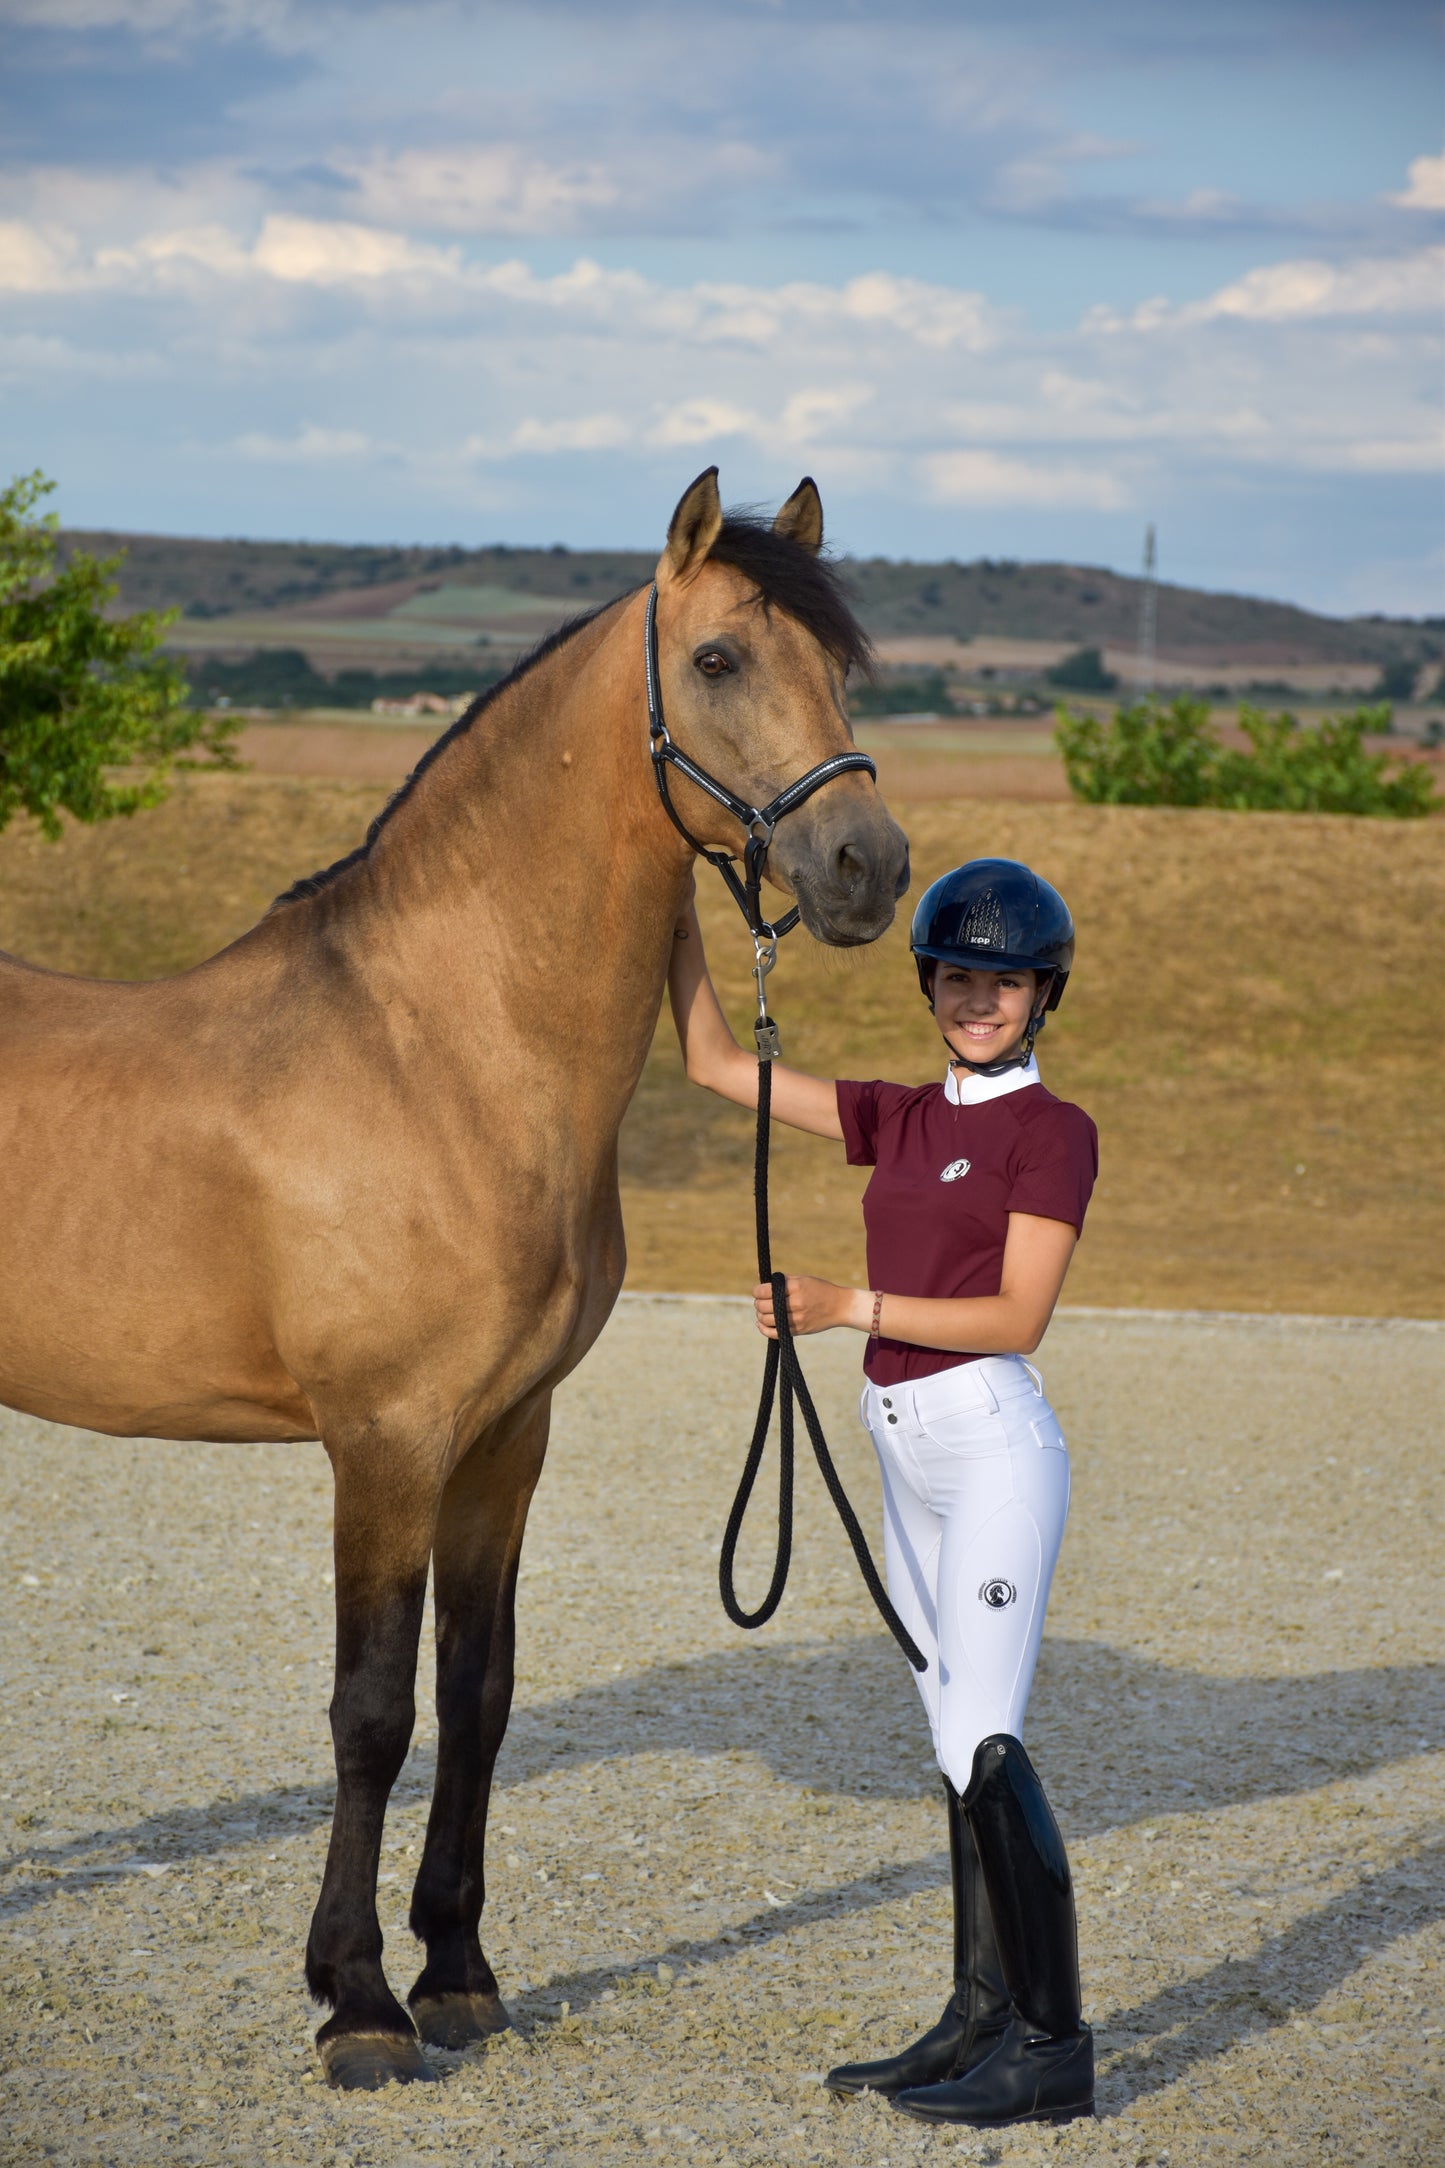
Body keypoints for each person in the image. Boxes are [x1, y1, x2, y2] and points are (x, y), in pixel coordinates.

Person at [667, 856, 1098, 2129]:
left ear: (1039, 994)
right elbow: (709, 1063)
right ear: (929, 982)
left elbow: (1018, 1314)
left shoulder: (1049, 1130)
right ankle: (977, 2018)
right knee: (946, 1739)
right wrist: (668, 914)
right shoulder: (899, 1115)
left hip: (989, 1441)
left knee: (988, 1738)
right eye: (959, 974)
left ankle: (1053, 2046)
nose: (979, 998)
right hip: (897, 1439)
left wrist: (842, 1304)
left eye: (1003, 979)